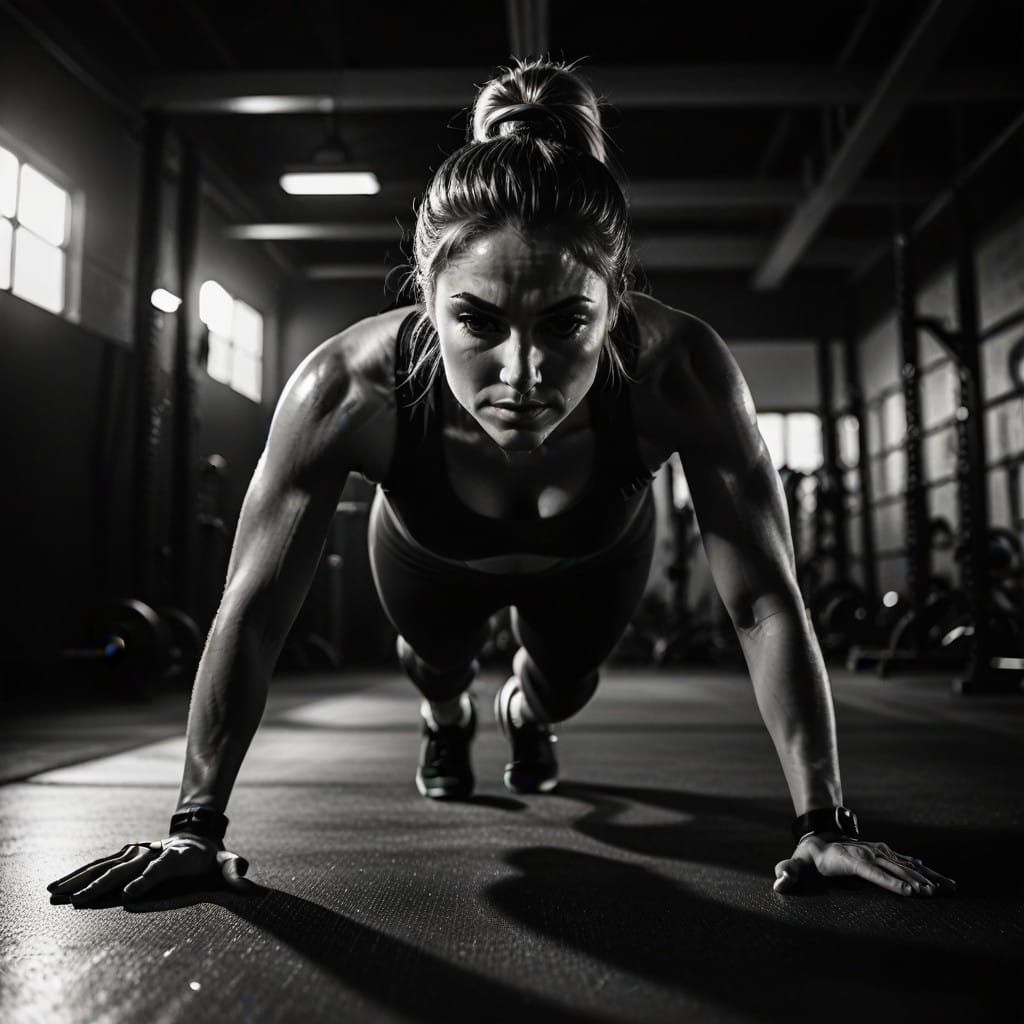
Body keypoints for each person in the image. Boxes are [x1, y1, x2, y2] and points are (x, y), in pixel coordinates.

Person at [48, 58, 955, 906]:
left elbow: (763, 602)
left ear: (614, 300)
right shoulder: (347, 385)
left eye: (566, 323)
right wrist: (193, 829)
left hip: (594, 560)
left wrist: (824, 824)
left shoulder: (680, 369)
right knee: (434, 658)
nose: (521, 369)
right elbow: (252, 607)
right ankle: (446, 711)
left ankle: (524, 706)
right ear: (427, 295)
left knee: (564, 685)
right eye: (477, 322)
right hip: (427, 558)